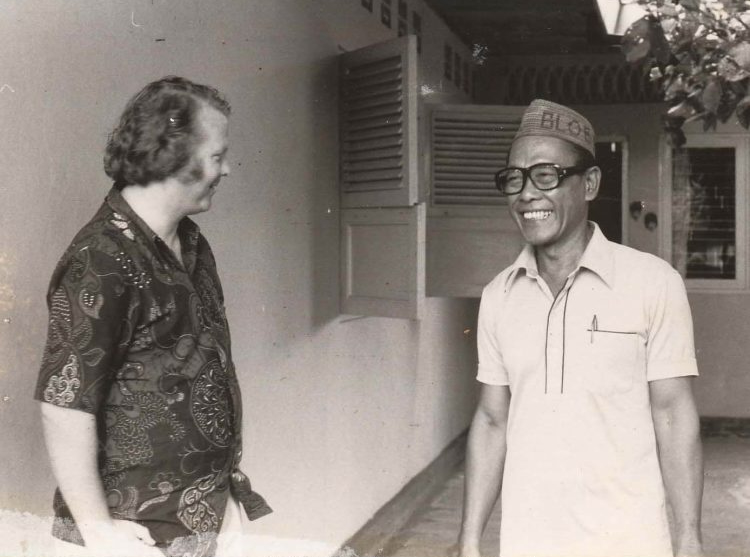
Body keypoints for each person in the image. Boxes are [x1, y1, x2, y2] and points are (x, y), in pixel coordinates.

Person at [35, 76, 271, 557]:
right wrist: (99, 532)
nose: (226, 170)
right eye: (217, 156)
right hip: (134, 536)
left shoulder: (193, 242)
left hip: (209, 510)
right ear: (172, 156)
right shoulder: (100, 259)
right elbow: (64, 405)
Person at [457, 99, 703, 557]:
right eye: (514, 178)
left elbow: (672, 414)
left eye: (545, 175)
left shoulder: (653, 283)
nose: (526, 194)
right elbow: (492, 420)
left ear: (589, 183)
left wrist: (689, 537)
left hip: (630, 540)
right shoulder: (499, 296)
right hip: (529, 539)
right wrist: (469, 538)